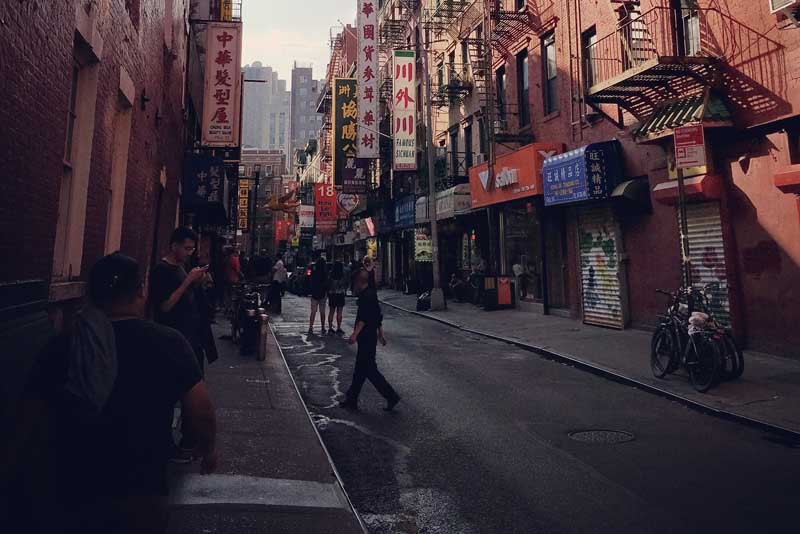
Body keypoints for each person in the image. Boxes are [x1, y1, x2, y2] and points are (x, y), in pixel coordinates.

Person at [7, 253, 218, 534]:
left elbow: (27, 417)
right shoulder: (169, 343)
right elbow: (200, 408)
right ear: (140, 292)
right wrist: (208, 449)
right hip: (141, 484)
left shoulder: (64, 344)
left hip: (72, 483)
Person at [148, 227, 215, 461]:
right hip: (172, 340)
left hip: (191, 339)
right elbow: (165, 306)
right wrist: (188, 281)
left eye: (192, 248)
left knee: (191, 389)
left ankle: (189, 440)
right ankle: (170, 444)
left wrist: (199, 282)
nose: (189, 252)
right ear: (173, 245)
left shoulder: (181, 268)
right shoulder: (161, 271)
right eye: (186, 248)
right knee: (172, 393)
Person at [340, 269, 400, 412]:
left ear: (360, 281)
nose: (354, 285)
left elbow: (363, 318)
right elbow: (377, 316)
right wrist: (381, 333)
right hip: (370, 336)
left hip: (366, 337)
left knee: (370, 371)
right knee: (360, 370)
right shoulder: (371, 294)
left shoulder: (366, 296)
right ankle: (351, 399)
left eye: (355, 282)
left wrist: (354, 334)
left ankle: (391, 396)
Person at [308, 251, 328, 335]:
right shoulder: (324, 269)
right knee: (322, 311)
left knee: (313, 311)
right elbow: (327, 280)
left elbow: (309, 277)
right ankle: (323, 327)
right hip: (322, 292)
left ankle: (311, 327)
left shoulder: (312, 267)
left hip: (315, 292)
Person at [327, 261, 349, 335]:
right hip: (340, 294)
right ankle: (338, 327)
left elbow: (328, 284)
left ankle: (330, 328)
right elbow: (346, 284)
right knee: (339, 312)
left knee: (331, 311)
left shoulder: (331, 274)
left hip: (332, 294)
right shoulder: (343, 275)